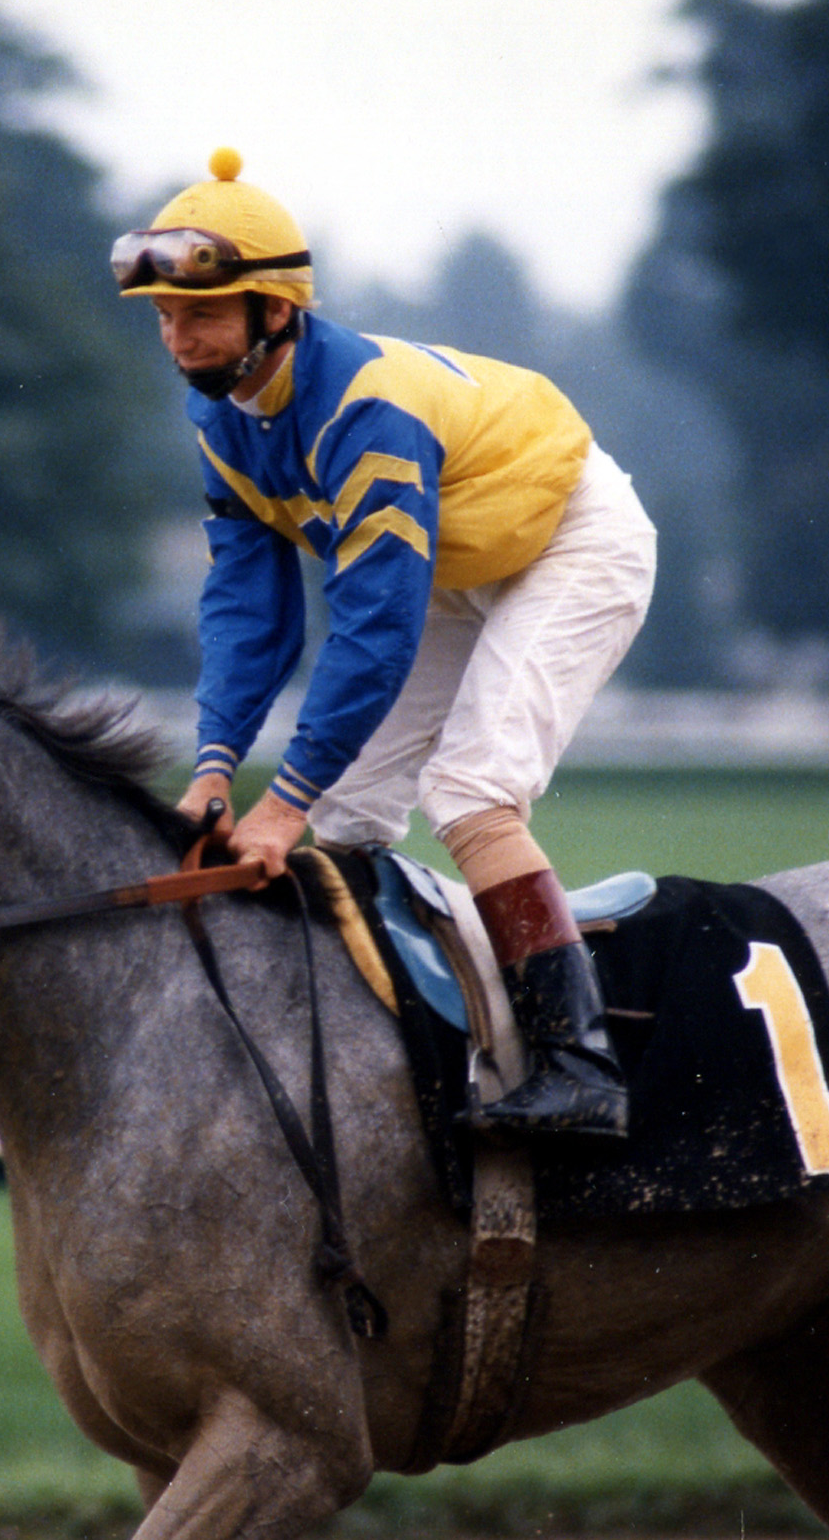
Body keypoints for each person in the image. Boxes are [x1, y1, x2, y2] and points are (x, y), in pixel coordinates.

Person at [113, 150, 657, 1138]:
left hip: (572, 537)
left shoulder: (365, 410)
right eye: (162, 316)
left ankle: (585, 1067)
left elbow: (371, 630)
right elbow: (249, 605)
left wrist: (277, 808)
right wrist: (215, 763)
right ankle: (393, 1054)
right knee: (353, 812)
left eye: (199, 314)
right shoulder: (221, 416)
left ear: (274, 311)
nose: (176, 338)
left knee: (472, 793)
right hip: (459, 562)